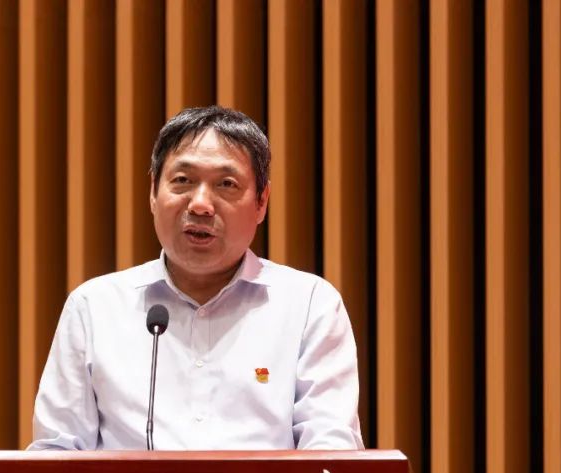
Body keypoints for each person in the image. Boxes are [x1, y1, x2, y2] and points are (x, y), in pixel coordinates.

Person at [28, 106, 363, 451]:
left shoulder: (309, 305)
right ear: (153, 192)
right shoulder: (95, 307)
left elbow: (331, 453)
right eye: (183, 181)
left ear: (261, 202)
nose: (200, 204)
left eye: (226, 184)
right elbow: (56, 454)